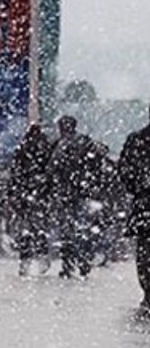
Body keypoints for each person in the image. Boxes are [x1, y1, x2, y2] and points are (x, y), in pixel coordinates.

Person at [48, 115, 103, 278]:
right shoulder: (85, 142)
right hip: (83, 193)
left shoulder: (60, 145)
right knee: (82, 229)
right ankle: (84, 261)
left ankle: (68, 264)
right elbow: (98, 161)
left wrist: (52, 186)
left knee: (68, 230)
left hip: (68, 194)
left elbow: (52, 169)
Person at [7, 123, 54, 275]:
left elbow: (15, 174)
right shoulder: (47, 149)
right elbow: (51, 173)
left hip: (27, 195)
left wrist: (14, 193)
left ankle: (26, 260)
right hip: (38, 196)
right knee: (38, 229)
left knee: (26, 230)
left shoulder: (23, 150)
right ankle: (40, 258)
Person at [117, 109, 150, 313]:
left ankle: (148, 292)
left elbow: (125, 171)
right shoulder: (137, 140)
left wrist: (138, 187)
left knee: (145, 252)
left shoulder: (137, 140)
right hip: (145, 203)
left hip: (145, 204)